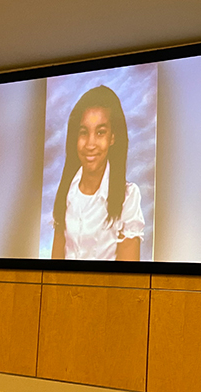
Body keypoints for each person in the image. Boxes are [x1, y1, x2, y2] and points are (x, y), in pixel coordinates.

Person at [51, 85, 144, 261]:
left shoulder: (128, 197)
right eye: (84, 133)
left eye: (100, 132)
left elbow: (128, 279)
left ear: (112, 138)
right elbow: (53, 272)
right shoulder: (66, 191)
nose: (90, 144)